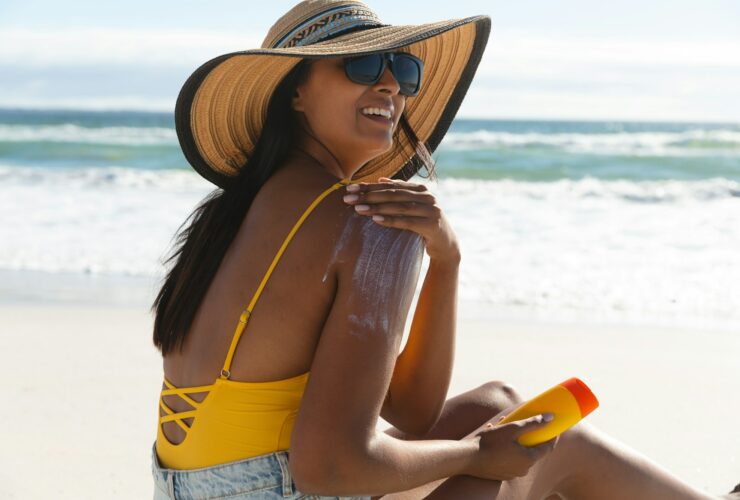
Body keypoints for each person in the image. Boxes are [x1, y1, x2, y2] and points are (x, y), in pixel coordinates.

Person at [149, 1, 740, 498]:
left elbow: (411, 411)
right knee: (555, 449)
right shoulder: (366, 222)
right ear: (295, 92)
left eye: (402, 70)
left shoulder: (245, 209)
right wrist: (474, 455)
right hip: (290, 486)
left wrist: (446, 260)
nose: (388, 84)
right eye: (360, 64)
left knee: (502, 403)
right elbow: (329, 466)